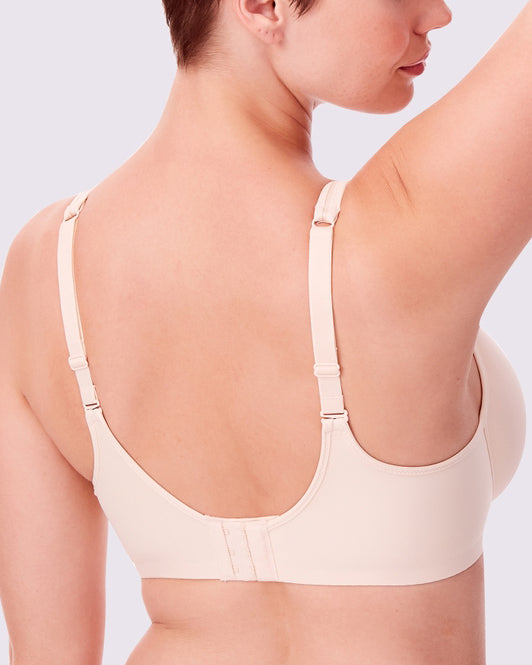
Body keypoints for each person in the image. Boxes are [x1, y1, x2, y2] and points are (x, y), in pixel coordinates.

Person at [0, 0, 530, 663]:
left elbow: (47, 654)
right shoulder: (398, 234)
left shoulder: (46, 270)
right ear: (263, 5)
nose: (438, 14)